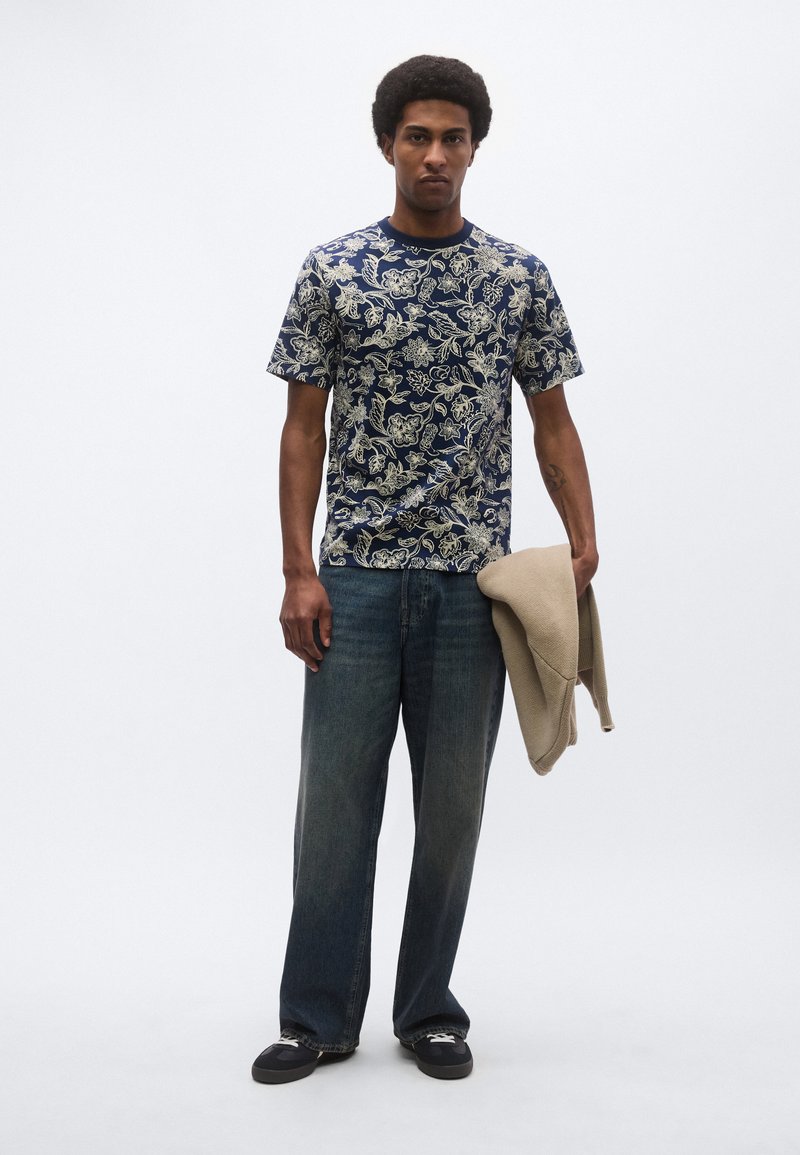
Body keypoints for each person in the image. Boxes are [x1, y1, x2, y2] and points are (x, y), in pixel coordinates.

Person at [252, 54, 598, 1084]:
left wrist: (583, 536)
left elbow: (551, 419)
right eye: (417, 136)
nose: (434, 154)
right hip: (353, 581)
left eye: (452, 137)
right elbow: (301, 429)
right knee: (333, 812)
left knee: (451, 815)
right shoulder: (334, 270)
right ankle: (316, 1018)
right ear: (387, 146)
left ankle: (428, 1013)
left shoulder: (516, 276)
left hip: (468, 589)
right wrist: (297, 571)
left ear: (474, 149)